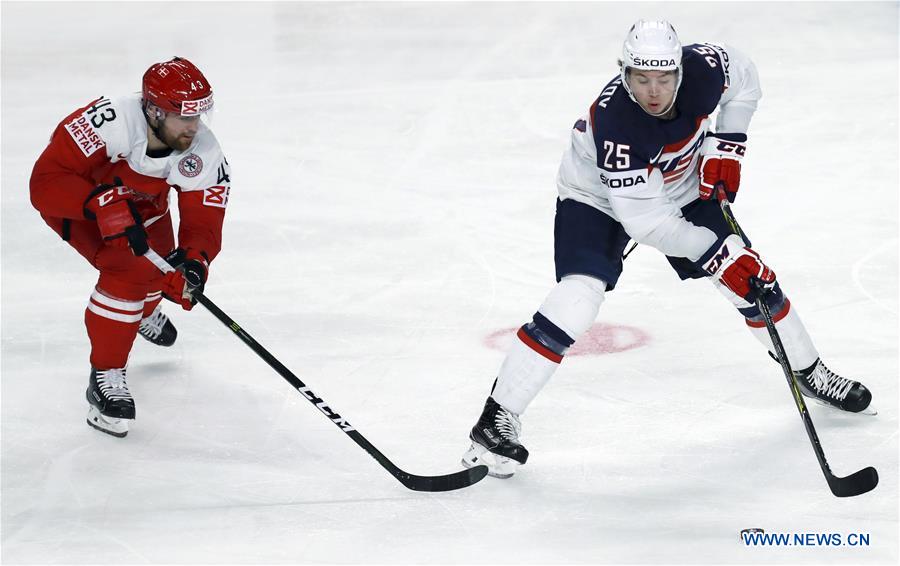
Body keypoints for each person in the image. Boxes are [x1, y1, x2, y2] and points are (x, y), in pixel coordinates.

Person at [461, 20, 873, 479]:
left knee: (755, 284)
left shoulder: (704, 69)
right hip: (595, 197)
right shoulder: (617, 123)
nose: (653, 91)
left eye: (663, 78)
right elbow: (649, 222)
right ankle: (495, 421)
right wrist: (717, 254)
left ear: (680, 70)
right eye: (641, 79)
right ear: (624, 73)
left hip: (679, 183)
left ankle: (810, 372)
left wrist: (729, 143)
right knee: (578, 298)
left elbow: (745, 77)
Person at [30, 57, 231, 438]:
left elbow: (204, 220)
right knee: (130, 271)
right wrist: (101, 203)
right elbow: (46, 182)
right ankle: (104, 377)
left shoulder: (202, 150)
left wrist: (194, 263)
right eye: (183, 118)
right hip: (81, 205)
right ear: (153, 110)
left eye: (198, 117)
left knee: (161, 273)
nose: (194, 127)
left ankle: (140, 313)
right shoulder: (109, 121)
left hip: (144, 211)